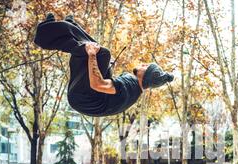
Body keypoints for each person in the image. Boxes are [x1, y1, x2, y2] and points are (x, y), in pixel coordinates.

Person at [33, 13, 174, 117]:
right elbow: (105, 93)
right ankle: (70, 29)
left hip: (83, 96)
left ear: (146, 74)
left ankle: (46, 35)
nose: (142, 64)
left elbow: (97, 84)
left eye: (146, 65)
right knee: (99, 53)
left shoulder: (130, 85)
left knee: (100, 53)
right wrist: (107, 67)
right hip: (82, 98)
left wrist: (93, 55)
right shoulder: (133, 90)